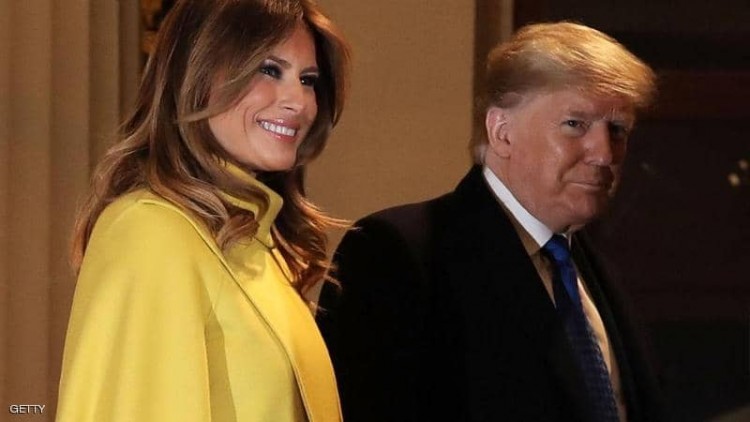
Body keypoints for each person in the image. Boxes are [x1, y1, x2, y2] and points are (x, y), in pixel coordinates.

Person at [317, 22, 665, 422]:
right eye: (575, 124)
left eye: (617, 129)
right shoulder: (394, 253)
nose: (604, 153)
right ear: (501, 133)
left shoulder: (596, 269)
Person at [56, 0, 349, 420]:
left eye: (308, 80)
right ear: (196, 74)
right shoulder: (149, 230)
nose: (299, 101)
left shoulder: (259, 244)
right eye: (269, 70)